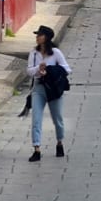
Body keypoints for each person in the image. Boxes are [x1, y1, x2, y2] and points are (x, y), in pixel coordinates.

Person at [27, 24, 72, 162]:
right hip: (39, 87)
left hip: (53, 89)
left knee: (57, 118)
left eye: (39, 35)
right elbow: (29, 71)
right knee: (36, 119)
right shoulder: (33, 54)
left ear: (46, 38)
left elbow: (67, 69)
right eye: (37, 35)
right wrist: (38, 69)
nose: (37, 37)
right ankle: (37, 148)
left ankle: (59, 142)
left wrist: (50, 70)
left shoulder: (56, 53)